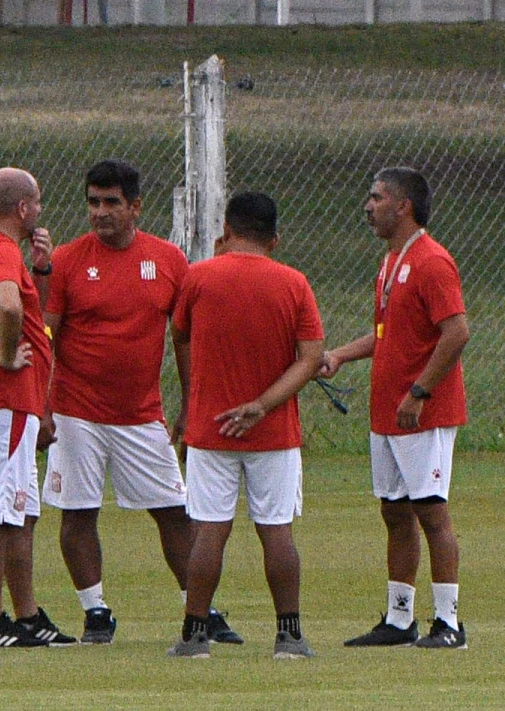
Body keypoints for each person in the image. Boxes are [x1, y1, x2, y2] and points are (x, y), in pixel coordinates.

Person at [39, 160, 240, 645]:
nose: (100, 212)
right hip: (76, 412)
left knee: (174, 510)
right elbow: (46, 337)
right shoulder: (68, 260)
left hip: (141, 414)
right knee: (78, 512)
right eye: (93, 202)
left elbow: (185, 337)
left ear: (135, 207)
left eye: (111, 203)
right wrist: (40, 405)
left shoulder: (168, 260)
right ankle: (96, 612)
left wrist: (191, 403)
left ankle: (201, 609)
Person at [167, 191, 324, 659]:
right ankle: (289, 636)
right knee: (276, 530)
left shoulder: (198, 277)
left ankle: (194, 634)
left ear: (226, 229)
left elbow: (180, 335)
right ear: (275, 238)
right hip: (273, 432)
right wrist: (262, 404)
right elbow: (311, 358)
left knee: (209, 529)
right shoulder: (294, 284)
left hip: (212, 428)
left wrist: (191, 401)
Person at [322, 167, 471, 649]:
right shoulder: (391, 261)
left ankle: (448, 622)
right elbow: (388, 333)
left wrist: (419, 392)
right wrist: (341, 354)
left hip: (421, 412)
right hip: (387, 412)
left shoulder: (432, 261)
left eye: (377, 197)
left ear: (403, 205)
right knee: (395, 512)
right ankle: (399, 618)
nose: (368, 206)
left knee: (431, 512)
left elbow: (456, 332)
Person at [0, 167, 75, 648]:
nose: (40, 210)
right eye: (37, 202)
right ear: (22, 208)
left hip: (15, 403)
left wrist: (41, 270)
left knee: (20, 511)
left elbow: (27, 310)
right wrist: (5, 356)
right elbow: (8, 306)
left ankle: (26, 616)